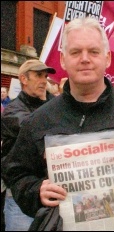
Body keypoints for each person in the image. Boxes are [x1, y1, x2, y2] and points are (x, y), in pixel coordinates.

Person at [1, 17, 114, 231]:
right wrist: (35, 191)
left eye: (94, 51)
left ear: (107, 58)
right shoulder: (40, 120)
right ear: (63, 60)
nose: (85, 59)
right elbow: (16, 173)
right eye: (75, 52)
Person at [1, 59, 56, 231]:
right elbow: (33, 128)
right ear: (24, 79)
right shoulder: (13, 110)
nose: (43, 81)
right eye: (38, 75)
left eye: (45, 76)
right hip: (20, 194)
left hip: (49, 192)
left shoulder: (50, 105)